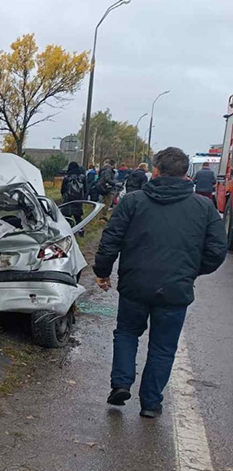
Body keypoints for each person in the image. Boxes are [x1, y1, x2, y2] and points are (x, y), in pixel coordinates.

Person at [94, 147, 227, 418]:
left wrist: (103, 271)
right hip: (175, 290)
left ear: (155, 170)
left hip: (135, 284)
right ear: (186, 173)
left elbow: (111, 239)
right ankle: (151, 403)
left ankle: (121, 383)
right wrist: (190, 271)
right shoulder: (203, 207)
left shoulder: (133, 201)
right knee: (163, 347)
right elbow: (217, 250)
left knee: (127, 332)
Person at [60, 161, 87, 227]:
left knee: (67, 217)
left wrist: (64, 196)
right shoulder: (82, 177)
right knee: (78, 217)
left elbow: (62, 190)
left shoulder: (67, 177)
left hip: (68, 200)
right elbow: (85, 189)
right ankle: (80, 230)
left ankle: (69, 229)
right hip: (78, 200)